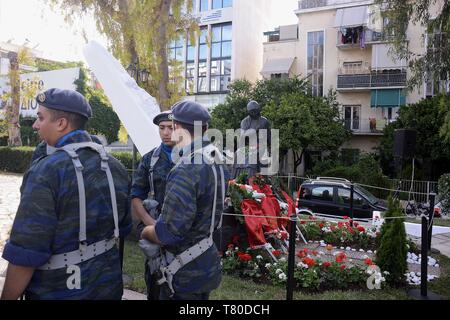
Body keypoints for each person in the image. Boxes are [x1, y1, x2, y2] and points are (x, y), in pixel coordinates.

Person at [1, 88, 132, 300]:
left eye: (40, 118)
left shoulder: (47, 171)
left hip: (57, 290)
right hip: (107, 287)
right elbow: (123, 229)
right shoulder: (115, 168)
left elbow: (26, 249)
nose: (35, 125)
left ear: (61, 123)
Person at [141, 101, 229, 300]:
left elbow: (169, 233)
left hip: (183, 271)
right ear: (205, 128)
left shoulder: (186, 168)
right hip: (204, 260)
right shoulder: (216, 160)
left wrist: (146, 231)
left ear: (178, 127)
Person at [131, 111, 174, 300]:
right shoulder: (150, 160)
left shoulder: (192, 159)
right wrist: (151, 224)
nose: (165, 132)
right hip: (155, 231)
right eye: (161, 128)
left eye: (170, 128)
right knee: (156, 282)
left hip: (184, 234)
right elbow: (136, 196)